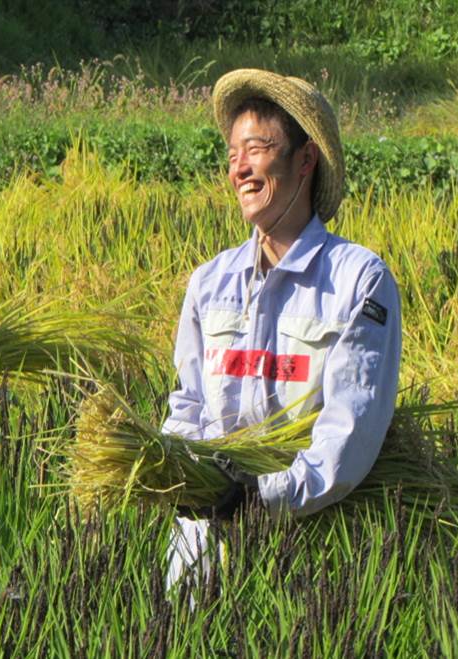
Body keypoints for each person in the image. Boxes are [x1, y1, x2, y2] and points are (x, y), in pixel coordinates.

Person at [163, 69, 402, 589]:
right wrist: (179, 472)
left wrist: (264, 495)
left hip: (311, 550)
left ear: (305, 159)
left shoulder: (358, 280)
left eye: (256, 149)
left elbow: (351, 428)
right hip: (203, 547)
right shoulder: (210, 283)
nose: (240, 169)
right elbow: (188, 406)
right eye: (231, 156)